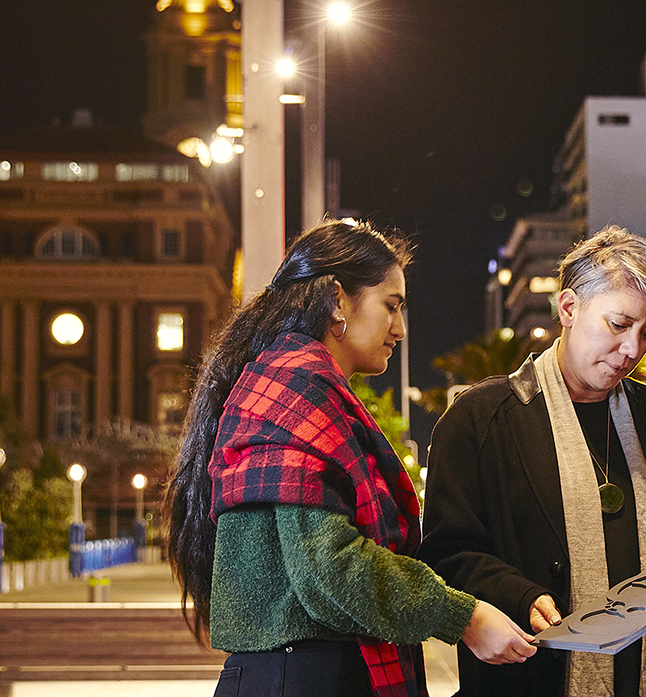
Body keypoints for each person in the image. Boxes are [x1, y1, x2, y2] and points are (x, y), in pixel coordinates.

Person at [164, 220, 535, 697]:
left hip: (295, 674)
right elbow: (330, 569)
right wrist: (465, 616)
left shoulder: (284, 379)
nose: (399, 328)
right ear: (337, 300)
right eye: (391, 306)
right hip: (307, 677)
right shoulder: (296, 386)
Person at [419, 227, 646, 697]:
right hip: (530, 677)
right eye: (618, 325)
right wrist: (519, 594)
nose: (632, 350)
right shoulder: (479, 419)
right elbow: (447, 554)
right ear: (568, 308)